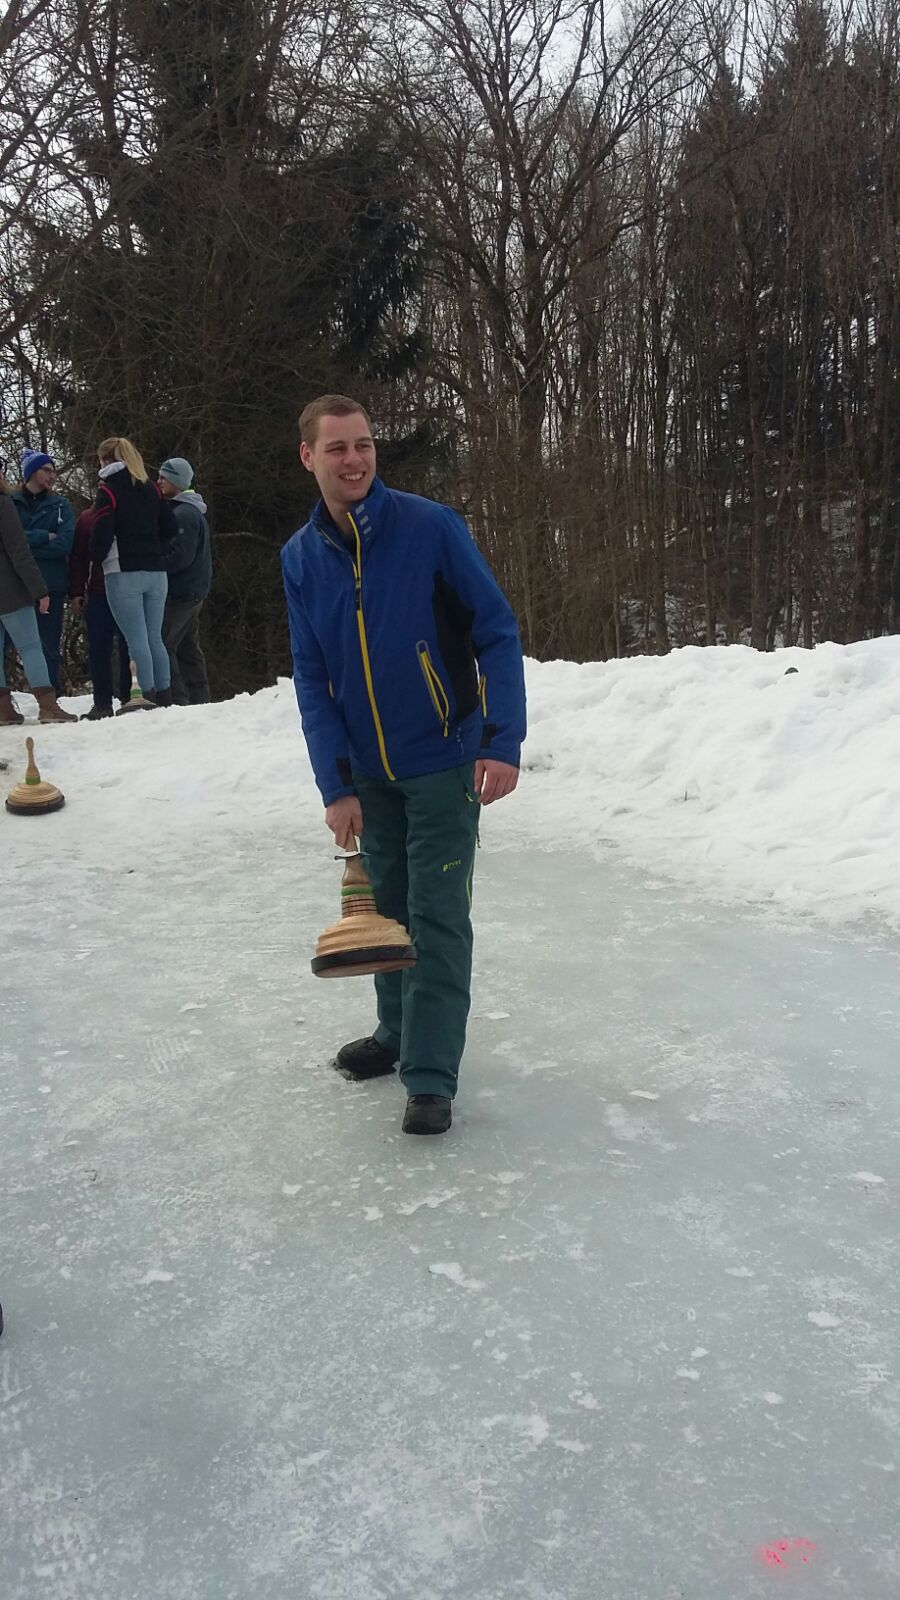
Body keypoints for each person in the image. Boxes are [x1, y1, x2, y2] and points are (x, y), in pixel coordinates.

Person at [281, 395, 526, 1136]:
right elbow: (312, 677)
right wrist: (336, 782)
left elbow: (496, 629)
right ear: (309, 457)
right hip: (369, 774)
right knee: (385, 912)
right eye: (337, 448)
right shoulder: (301, 558)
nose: (354, 459)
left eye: (363, 444)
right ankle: (394, 1034)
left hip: (444, 759)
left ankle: (429, 1074)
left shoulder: (430, 527)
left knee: (437, 919)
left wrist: (500, 740)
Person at [90, 436, 176, 706]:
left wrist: (95, 562)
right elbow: (171, 527)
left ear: (105, 460)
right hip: (156, 571)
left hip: (122, 569)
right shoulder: (151, 488)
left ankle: (145, 695)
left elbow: (102, 534)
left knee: (136, 639)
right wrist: (156, 550)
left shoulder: (108, 490)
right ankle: (164, 694)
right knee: (155, 638)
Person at [0, 459, 77, 724]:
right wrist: (39, 590)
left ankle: (3, 710)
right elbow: (19, 551)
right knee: (31, 646)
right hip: (10, 588)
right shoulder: (4, 504)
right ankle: (48, 706)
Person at [68, 507, 132, 719]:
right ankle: (102, 702)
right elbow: (78, 557)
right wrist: (76, 592)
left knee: (130, 646)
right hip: (98, 593)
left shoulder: (131, 511)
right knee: (98, 649)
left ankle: (130, 697)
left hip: (128, 591)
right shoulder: (88, 518)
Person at [157, 456, 212, 704]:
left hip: (182, 593)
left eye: (163, 477)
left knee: (164, 643)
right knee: (188, 647)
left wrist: (153, 565)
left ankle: (177, 700)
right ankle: (200, 698)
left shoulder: (184, 514)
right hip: (193, 590)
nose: (159, 481)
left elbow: (181, 557)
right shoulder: (188, 511)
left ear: (176, 481)